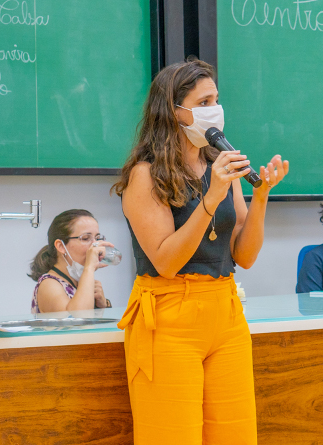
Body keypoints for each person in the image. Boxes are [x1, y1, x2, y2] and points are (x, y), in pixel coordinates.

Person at [112, 58, 288, 444]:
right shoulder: (146, 174)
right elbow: (166, 260)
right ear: (175, 111)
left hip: (224, 313)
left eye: (216, 99)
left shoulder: (221, 164)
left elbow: (244, 255)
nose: (215, 110)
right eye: (204, 101)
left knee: (236, 435)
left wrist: (260, 197)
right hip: (170, 316)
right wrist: (211, 198)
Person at [29, 209, 114, 313]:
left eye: (97, 238)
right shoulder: (49, 284)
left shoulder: (79, 282)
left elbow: (94, 327)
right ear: (61, 246)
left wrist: (104, 304)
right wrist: (89, 268)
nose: (94, 245)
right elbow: (78, 322)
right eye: (86, 238)